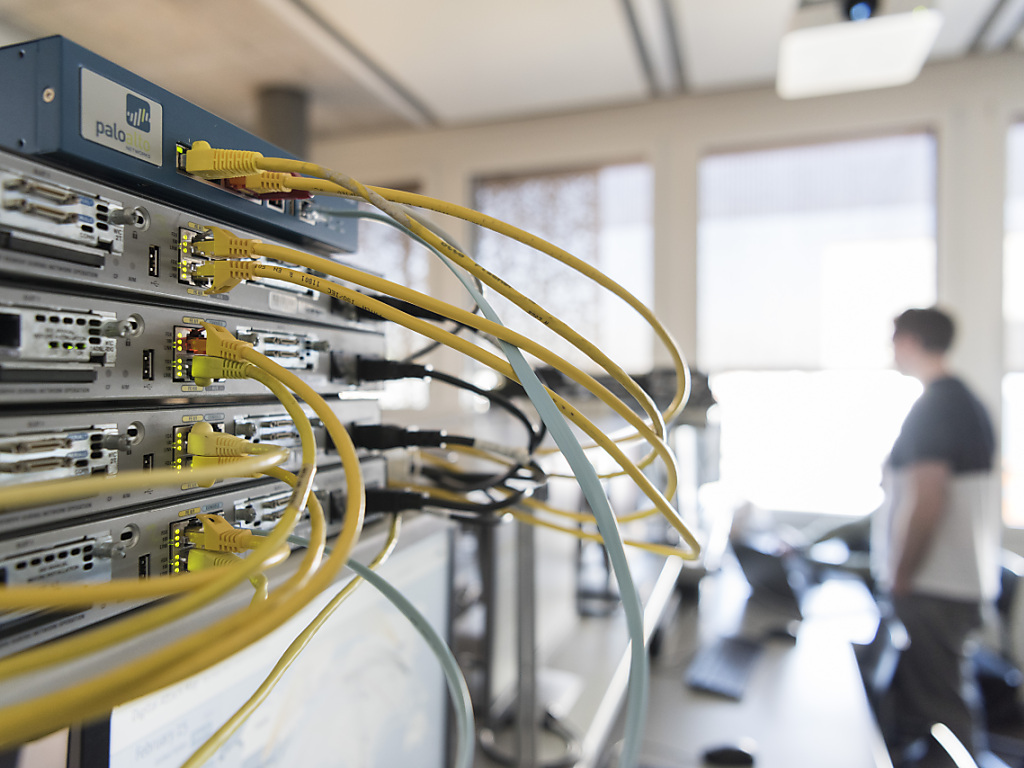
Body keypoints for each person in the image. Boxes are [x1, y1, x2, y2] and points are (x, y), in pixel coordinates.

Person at [872, 307, 1000, 766]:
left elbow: (928, 499)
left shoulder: (939, 406)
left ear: (909, 341)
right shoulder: (960, 401)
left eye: (894, 340)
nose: (891, 350)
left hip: (934, 586)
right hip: (953, 583)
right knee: (940, 701)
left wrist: (901, 573)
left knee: (942, 712)